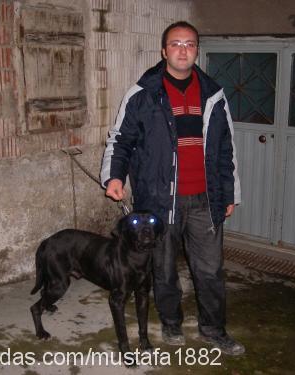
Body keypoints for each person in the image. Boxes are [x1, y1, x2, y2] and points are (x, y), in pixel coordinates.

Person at [100, 21, 244, 356]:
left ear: (197, 50)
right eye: (175, 44)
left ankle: (213, 329)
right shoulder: (142, 94)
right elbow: (120, 140)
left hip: (205, 199)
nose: (183, 50)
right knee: (163, 270)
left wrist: (229, 193)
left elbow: (227, 148)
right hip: (158, 201)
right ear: (164, 51)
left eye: (190, 44)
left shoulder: (214, 94)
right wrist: (114, 177)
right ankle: (171, 324)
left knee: (209, 271)